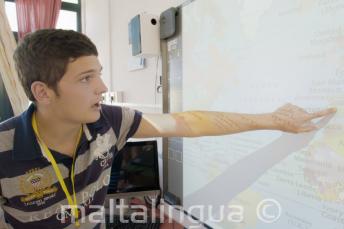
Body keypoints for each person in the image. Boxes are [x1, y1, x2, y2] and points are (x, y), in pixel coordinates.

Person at [0, 29, 336, 229]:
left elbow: (188, 122)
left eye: (98, 73)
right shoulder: (3, 150)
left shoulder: (109, 124)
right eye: (86, 79)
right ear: (42, 92)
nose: (102, 87)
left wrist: (271, 120)